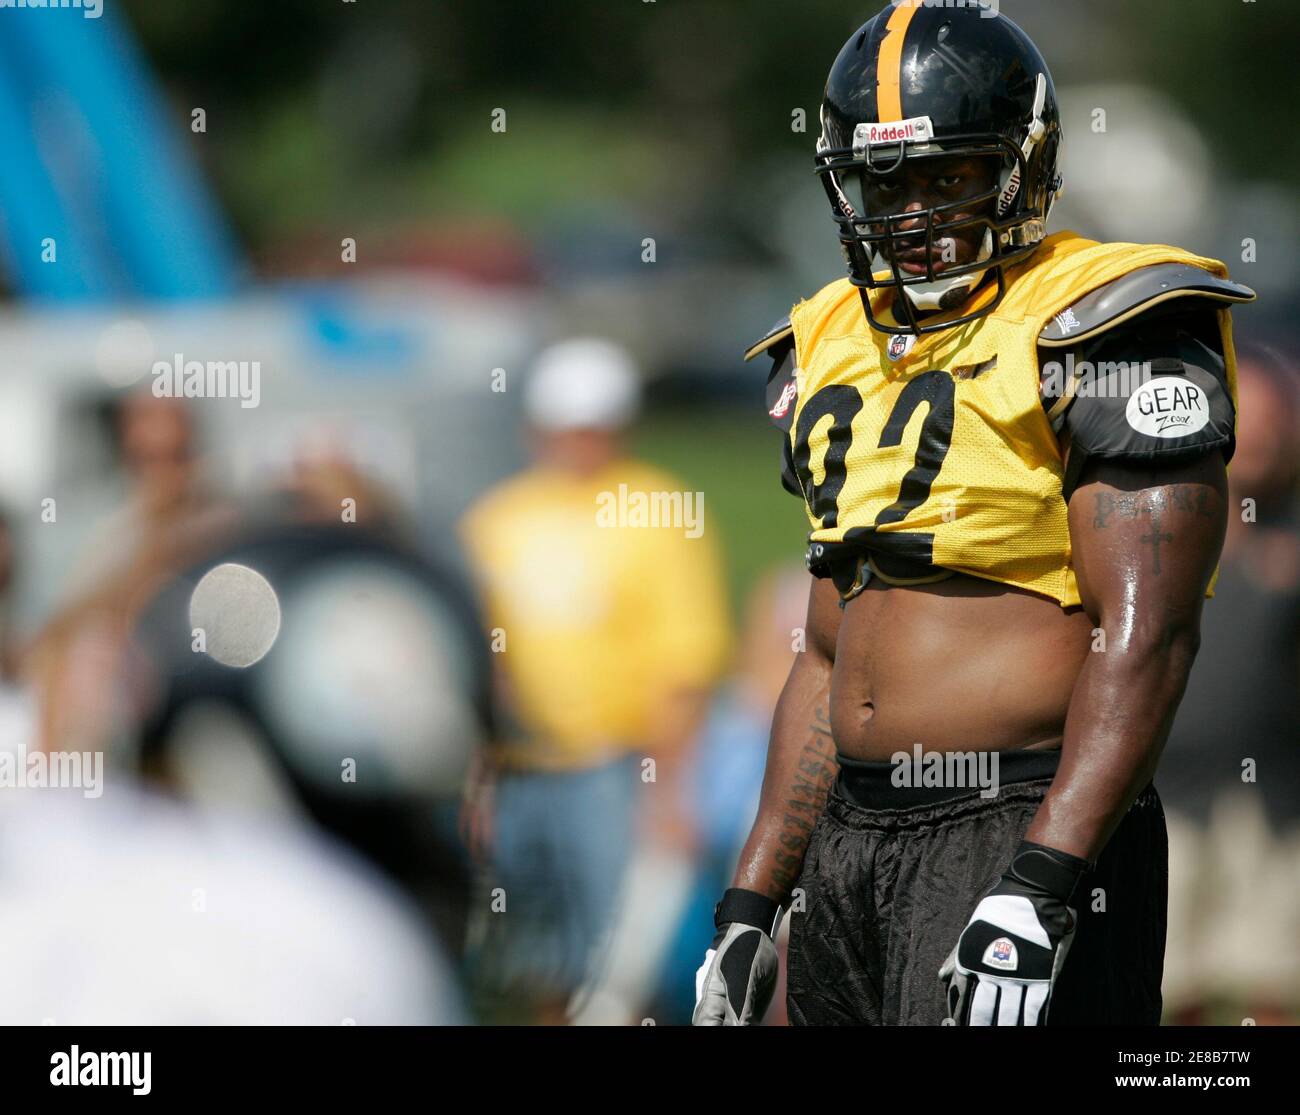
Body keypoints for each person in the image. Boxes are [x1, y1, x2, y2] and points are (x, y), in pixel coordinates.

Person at [693, 3, 1254, 1027]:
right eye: (887, 182)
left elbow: (1150, 634)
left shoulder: (1103, 318)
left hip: (1013, 813)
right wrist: (749, 898)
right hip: (852, 833)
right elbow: (823, 651)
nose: (912, 214)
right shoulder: (832, 333)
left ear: (1022, 166)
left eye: (947, 176)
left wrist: (1047, 871)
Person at [460, 337, 730, 1023]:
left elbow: (685, 660)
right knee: (535, 961)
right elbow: (475, 658)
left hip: (614, 767)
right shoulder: (497, 517)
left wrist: (669, 786)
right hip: (519, 770)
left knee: (621, 966)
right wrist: (478, 778)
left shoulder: (657, 507)